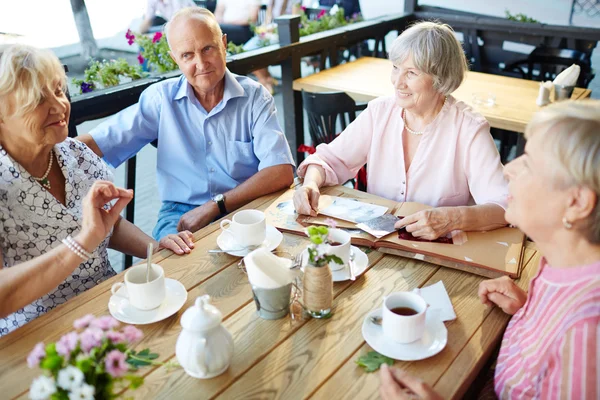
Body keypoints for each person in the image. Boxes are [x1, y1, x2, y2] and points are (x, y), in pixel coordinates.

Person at [379, 100, 600, 399]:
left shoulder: (586, 335)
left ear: (576, 203)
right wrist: (529, 314)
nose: (509, 169)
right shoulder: (559, 264)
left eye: (530, 162)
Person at [0, 44, 195, 335]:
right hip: (37, 337)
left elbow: (109, 227)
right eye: (39, 98)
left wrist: (155, 248)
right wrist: (82, 242)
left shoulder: (74, 154)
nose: (59, 106)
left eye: (58, 90)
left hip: (109, 305)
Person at [79, 7, 295, 241]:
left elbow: (281, 171)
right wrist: (42, 157)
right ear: (175, 59)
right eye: (187, 55)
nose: (201, 64)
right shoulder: (161, 99)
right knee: (175, 270)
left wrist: (215, 205)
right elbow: (96, 143)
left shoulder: (254, 97)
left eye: (207, 49)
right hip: (180, 213)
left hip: (246, 204)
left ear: (224, 44)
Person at [293, 21, 508, 240]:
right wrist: (310, 184)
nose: (397, 82)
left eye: (411, 73)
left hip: (438, 254)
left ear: (440, 78)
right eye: (396, 68)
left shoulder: (469, 129)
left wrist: (452, 218)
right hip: (377, 244)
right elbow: (328, 160)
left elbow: (504, 207)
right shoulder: (380, 112)